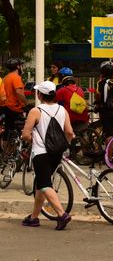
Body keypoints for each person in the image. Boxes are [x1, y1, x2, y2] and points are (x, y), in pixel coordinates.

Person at [20, 81, 75, 229]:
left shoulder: (35, 111)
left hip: (41, 153)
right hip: (56, 153)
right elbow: (69, 133)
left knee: (44, 184)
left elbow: (25, 135)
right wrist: (64, 146)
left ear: (40, 95)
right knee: (41, 184)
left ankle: (62, 214)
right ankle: (34, 218)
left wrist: (35, 140)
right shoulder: (62, 110)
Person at [55, 73, 89, 139]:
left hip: (70, 117)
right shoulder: (80, 89)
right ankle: (85, 144)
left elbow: (53, 100)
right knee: (83, 133)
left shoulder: (63, 90)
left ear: (64, 84)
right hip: (83, 116)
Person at [3, 59, 27, 131]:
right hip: (16, 108)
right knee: (19, 130)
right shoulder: (16, 77)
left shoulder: (6, 77)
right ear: (18, 66)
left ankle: (6, 142)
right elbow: (19, 92)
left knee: (8, 130)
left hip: (7, 106)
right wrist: (26, 102)